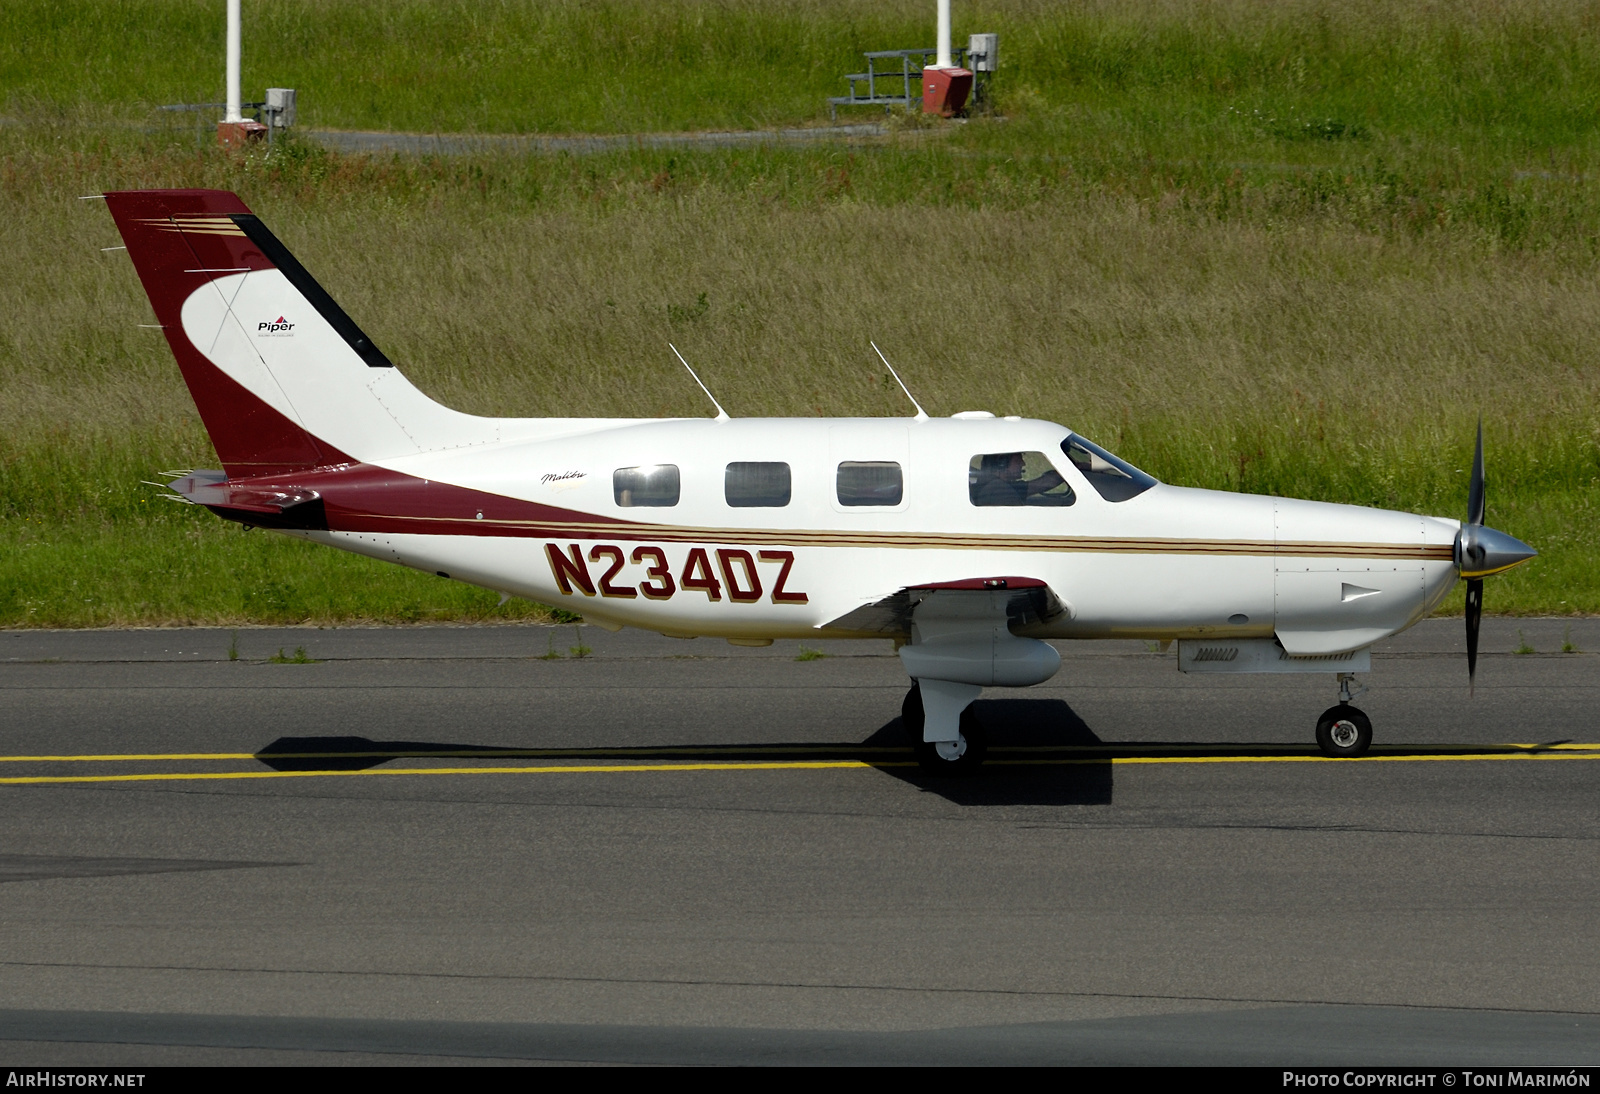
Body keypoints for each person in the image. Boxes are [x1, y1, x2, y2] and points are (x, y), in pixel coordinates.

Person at [971, 452, 1066, 506]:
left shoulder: (1000, 485)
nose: (1022, 464)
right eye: (1017, 460)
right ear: (1002, 463)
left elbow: (1040, 484)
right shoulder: (999, 490)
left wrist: (1069, 470)